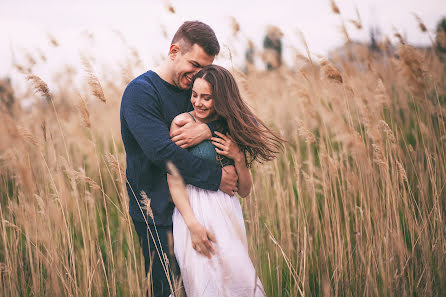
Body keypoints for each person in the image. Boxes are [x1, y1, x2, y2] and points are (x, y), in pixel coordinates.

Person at [120, 21, 239, 297]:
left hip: (202, 212)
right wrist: (217, 177)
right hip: (157, 216)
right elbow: (163, 153)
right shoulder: (141, 93)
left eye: (206, 68)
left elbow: (234, 119)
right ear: (174, 51)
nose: (199, 75)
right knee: (169, 292)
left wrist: (207, 130)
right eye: (195, 65)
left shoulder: (195, 90)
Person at [168, 64, 283, 297]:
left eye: (206, 98)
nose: (198, 102)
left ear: (220, 98)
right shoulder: (181, 123)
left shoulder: (231, 128)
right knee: (203, 283)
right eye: (194, 94)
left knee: (239, 280)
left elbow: (244, 190)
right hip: (193, 212)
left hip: (227, 211)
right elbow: (174, 179)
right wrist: (192, 224)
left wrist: (238, 157)